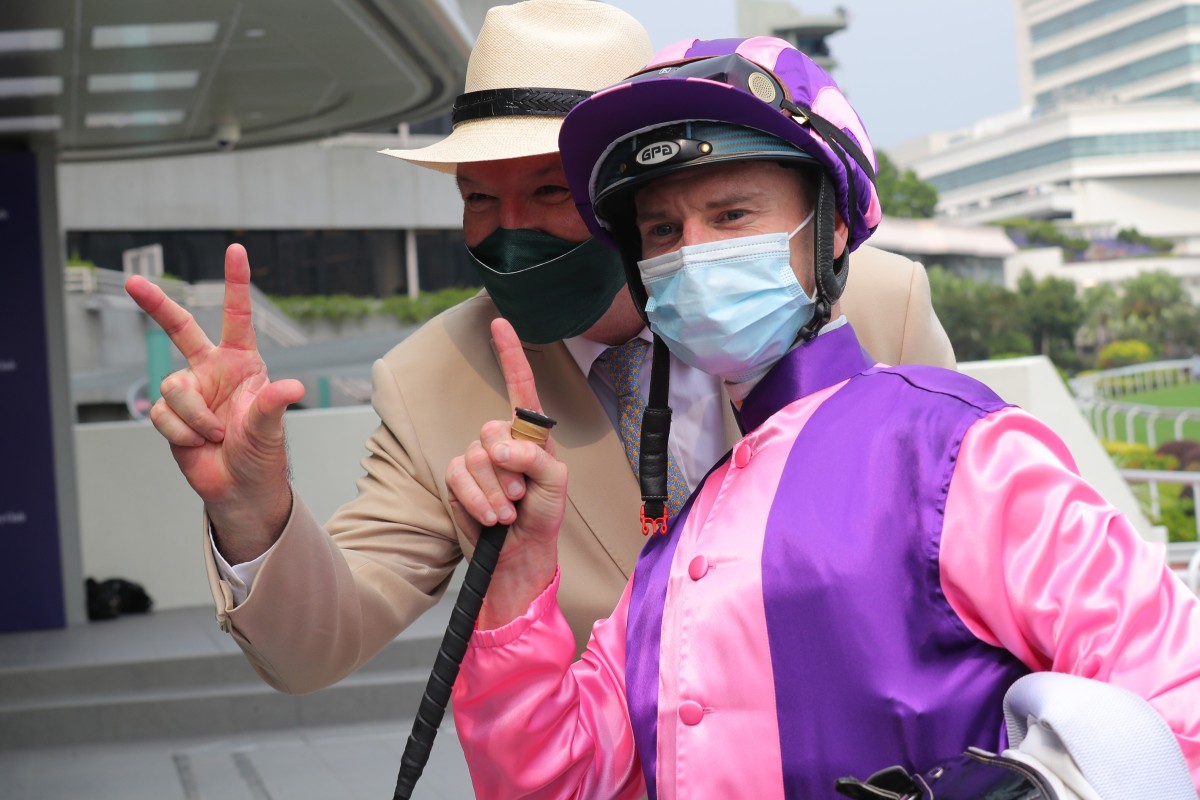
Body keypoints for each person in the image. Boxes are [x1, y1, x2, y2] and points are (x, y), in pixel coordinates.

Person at [123, 0, 954, 696]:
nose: (508, 230)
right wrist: (252, 508)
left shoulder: (872, 305)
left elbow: (979, 551)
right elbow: (316, 646)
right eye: (478, 197)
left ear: (632, 190)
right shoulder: (432, 381)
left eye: (551, 190)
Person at [443, 36, 1200, 797]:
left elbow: (1176, 703)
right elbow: (552, 780)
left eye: (731, 214)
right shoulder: (672, 554)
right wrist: (516, 584)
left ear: (832, 229)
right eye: (664, 232)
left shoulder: (956, 450)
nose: (692, 255)